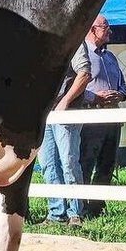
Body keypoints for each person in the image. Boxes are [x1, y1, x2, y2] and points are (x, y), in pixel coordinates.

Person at [76, 15, 126, 219]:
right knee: (86, 161)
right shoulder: (82, 55)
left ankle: (97, 207)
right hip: (91, 119)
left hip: (112, 120)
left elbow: (123, 85)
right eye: (105, 27)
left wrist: (120, 94)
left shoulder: (111, 57)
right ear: (92, 29)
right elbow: (75, 87)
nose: (110, 31)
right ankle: (83, 206)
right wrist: (94, 97)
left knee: (107, 163)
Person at [39, 49, 90, 226]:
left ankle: (76, 212)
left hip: (66, 112)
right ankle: (56, 213)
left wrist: (65, 101)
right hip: (44, 113)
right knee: (48, 163)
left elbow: (84, 73)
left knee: (68, 162)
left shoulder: (75, 42)